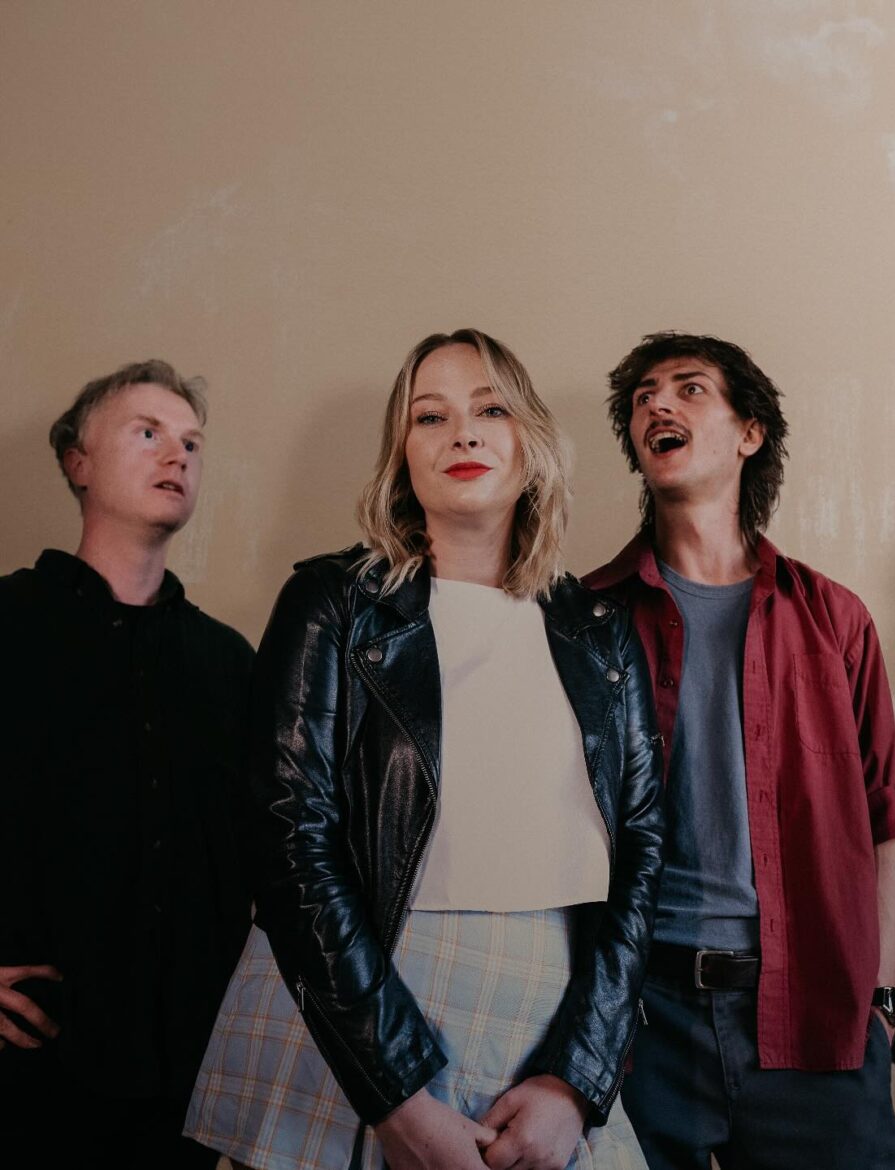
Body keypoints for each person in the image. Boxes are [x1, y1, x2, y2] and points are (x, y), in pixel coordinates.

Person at [184, 329, 663, 1170]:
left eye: (491, 410)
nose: (463, 433)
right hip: (351, 1015)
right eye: (430, 416)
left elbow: (643, 854)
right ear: (401, 458)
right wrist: (396, 1097)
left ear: (532, 444)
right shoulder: (333, 602)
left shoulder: (602, 635)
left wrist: (576, 1084)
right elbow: (289, 842)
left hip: (544, 1024)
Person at [584, 332, 895, 1169]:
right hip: (639, 1018)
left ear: (749, 432)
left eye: (689, 388)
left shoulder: (834, 619)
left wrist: (880, 999)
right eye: (643, 397)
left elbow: (883, 819)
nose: (657, 405)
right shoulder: (587, 619)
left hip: (814, 1014)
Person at [0, 360, 254, 1169]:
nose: (177, 455)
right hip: (21, 1080)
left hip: (184, 1096)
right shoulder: (6, 624)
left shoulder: (230, 664)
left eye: (192, 443)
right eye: (148, 433)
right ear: (77, 461)